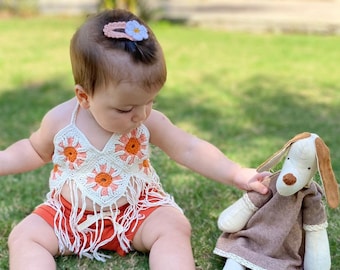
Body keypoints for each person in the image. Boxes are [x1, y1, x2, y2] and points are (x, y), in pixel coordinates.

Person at [2, 9, 269, 270]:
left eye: (150, 101)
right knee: (25, 237)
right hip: (70, 215)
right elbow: (33, 151)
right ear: (84, 97)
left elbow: (189, 148)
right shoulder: (61, 121)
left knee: (173, 226)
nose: (140, 115)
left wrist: (235, 173)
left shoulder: (147, 121)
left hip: (137, 212)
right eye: (125, 109)